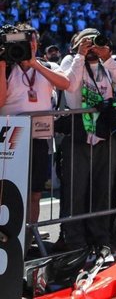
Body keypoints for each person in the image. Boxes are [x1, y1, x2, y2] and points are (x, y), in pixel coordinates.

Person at [58, 28, 116, 251]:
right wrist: (80, 55)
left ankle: (100, 237)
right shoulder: (70, 61)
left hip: (104, 133)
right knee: (76, 191)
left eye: (94, 43)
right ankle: (75, 240)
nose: (91, 48)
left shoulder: (106, 64)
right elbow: (69, 86)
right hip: (79, 132)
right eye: (86, 43)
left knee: (102, 189)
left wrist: (108, 58)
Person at [0, 24, 70, 225]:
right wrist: (2, 63)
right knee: (7, 192)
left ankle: (30, 237)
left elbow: (65, 84)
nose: (28, 44)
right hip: (9, 140)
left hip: (38, 138)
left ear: (37, 43)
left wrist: (35, 65)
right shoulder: (7, 68)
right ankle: (9, 239)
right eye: (23, 40)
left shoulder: (47, 67)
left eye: (31, 40)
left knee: (35, 193)